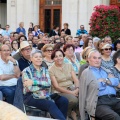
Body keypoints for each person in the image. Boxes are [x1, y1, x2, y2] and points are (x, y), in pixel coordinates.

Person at [22, 49, 68, 120]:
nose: (38, 59)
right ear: (31, 59)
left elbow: (48, 84)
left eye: (40, 57)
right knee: (50, 104)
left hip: (46, 95)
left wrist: (34, 82)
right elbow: (30, 88)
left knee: (64, 101)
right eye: (36, 57)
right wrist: (43, 85)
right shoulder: (26, 71)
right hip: (31, 97)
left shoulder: (45, 70)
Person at [79, 50, 120, 120]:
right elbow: (95, 87)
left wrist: (104, 80)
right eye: (94, 58)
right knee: (115, 117)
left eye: (99, 58)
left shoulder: (106, 70)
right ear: (89, 59)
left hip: (113, 99)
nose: (97, 60)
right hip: (99, 102)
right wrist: (109, 81)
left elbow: (116, 81)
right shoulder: (86, 73)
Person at [49, 49, 79, 120]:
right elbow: (56, 87)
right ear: (53, 58)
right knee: (73, 100)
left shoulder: (69, 65)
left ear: (63, 57)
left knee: (84, 97)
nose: (59, 58)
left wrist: (77, 89)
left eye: (60, 56)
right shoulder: (51, 69)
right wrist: (71, 93)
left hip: (72, 88)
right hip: (60, 91)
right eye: (56, 56)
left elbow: (76, 80)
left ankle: (73, 112)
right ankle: (66, 114)